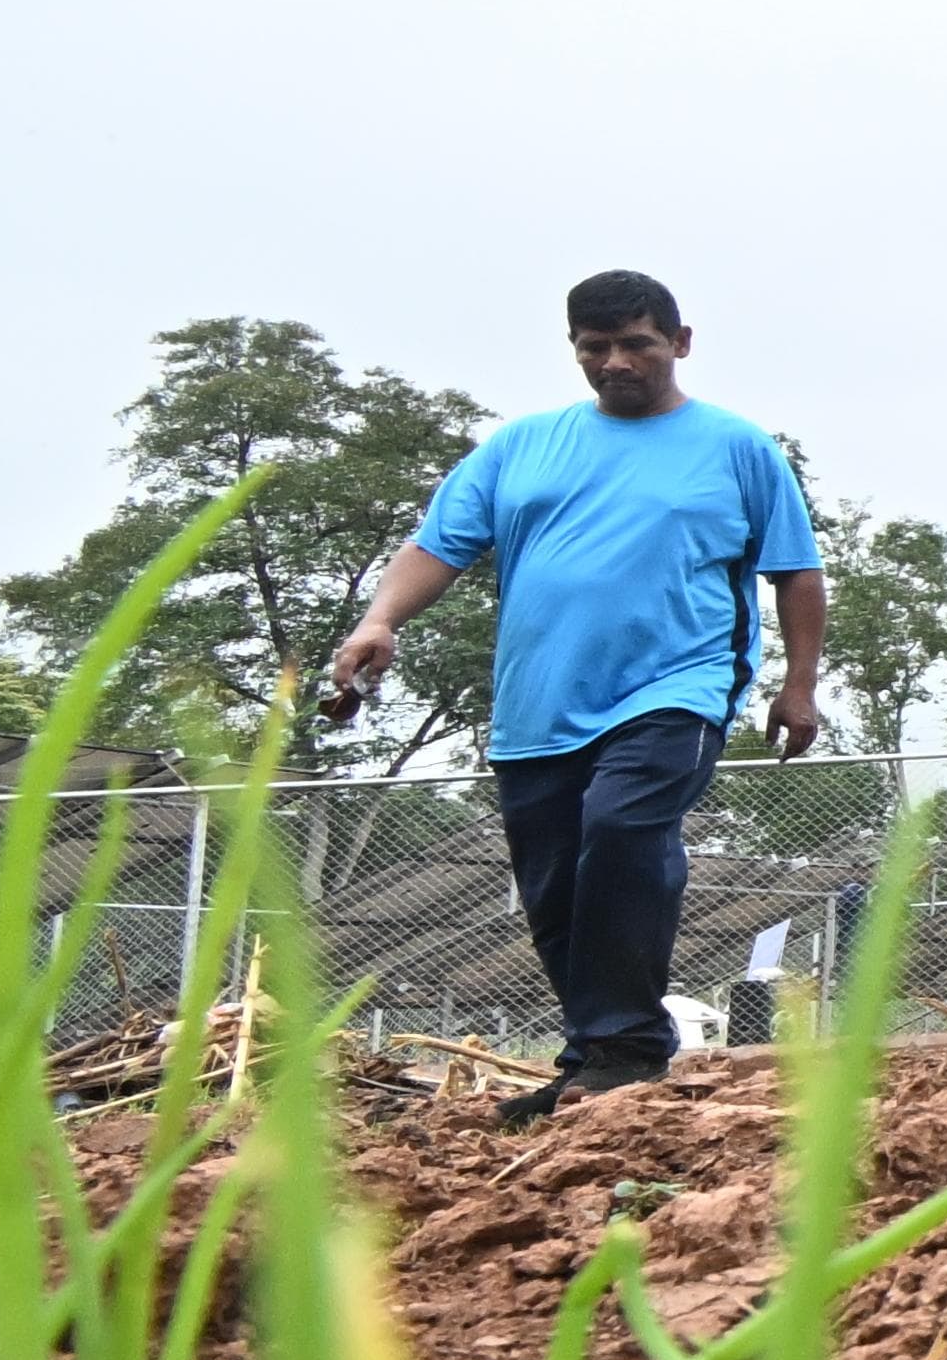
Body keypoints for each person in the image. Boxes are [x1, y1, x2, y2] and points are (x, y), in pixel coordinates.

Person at [324, 269, 825, 1124]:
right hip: (538, 707)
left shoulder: (736, 448)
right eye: (596, 348)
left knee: (624, 826)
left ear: (681, 343)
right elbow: (438, 546)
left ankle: (627, 1050)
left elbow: (796, 572)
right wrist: (380, 621)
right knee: (555, 889)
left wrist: (799, 686)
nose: (616, 362)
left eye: (637, 343)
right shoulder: (521, 448)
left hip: (678, 685)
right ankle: (591, 1056)